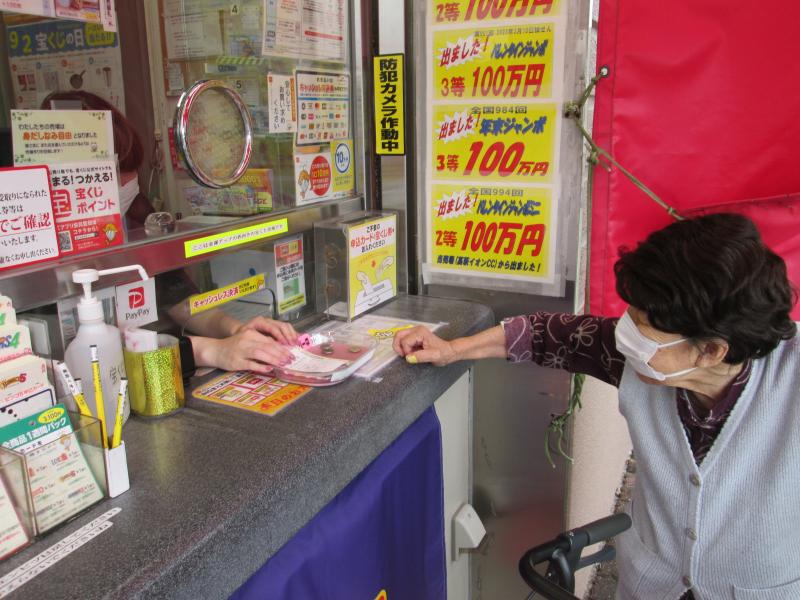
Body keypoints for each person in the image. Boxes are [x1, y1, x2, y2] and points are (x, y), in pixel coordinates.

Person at [393, 213, 799, 599]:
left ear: (709, 350)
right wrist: (451, 350)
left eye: (642, 328)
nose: (625, 335)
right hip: (652, 585)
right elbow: (546, 335)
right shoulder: (636, 360)